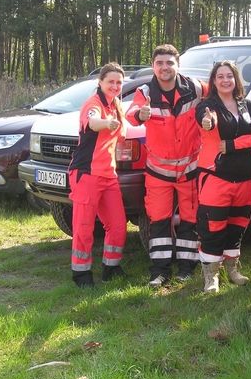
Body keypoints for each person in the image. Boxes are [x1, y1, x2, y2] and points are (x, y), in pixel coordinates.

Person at [127, 44, 208, 287]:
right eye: (160, 63)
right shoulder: (145, 92)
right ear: (153, 66)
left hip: (189, 170)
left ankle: (187, 267)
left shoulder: (195, 88)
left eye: (169, 63)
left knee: (190, 220)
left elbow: (223, 90)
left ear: (177, 65)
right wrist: (140, 115)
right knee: (158, 221)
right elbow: (131, 114)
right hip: (159, 172)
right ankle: (159, 272)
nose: (165, 67)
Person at [196, 61, 251, 293]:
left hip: (244, 177)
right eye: (220, 76)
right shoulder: (207, 106)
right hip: (216, 176)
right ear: (213, 81)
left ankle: (232, 269)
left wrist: (232, 145)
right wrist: (208, 123)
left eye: (229, 76)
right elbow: (207, 121)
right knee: (212, 227)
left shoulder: (249, 106)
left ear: (236, 79)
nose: (225, 80)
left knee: (237, 225)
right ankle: (211, 276)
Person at [68, 62, 127, 288]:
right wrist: (106, 123)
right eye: (110, 81)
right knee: (84, 227)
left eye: (118, 82)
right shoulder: (93, 104)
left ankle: (111, 268)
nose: (114, 86)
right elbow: (93, 122)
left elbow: (126, 130)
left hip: (108, 175)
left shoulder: (117, 105)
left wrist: (142, 115)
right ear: (100, 83)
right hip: (87, 174)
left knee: (118, 225)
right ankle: (81, 274)